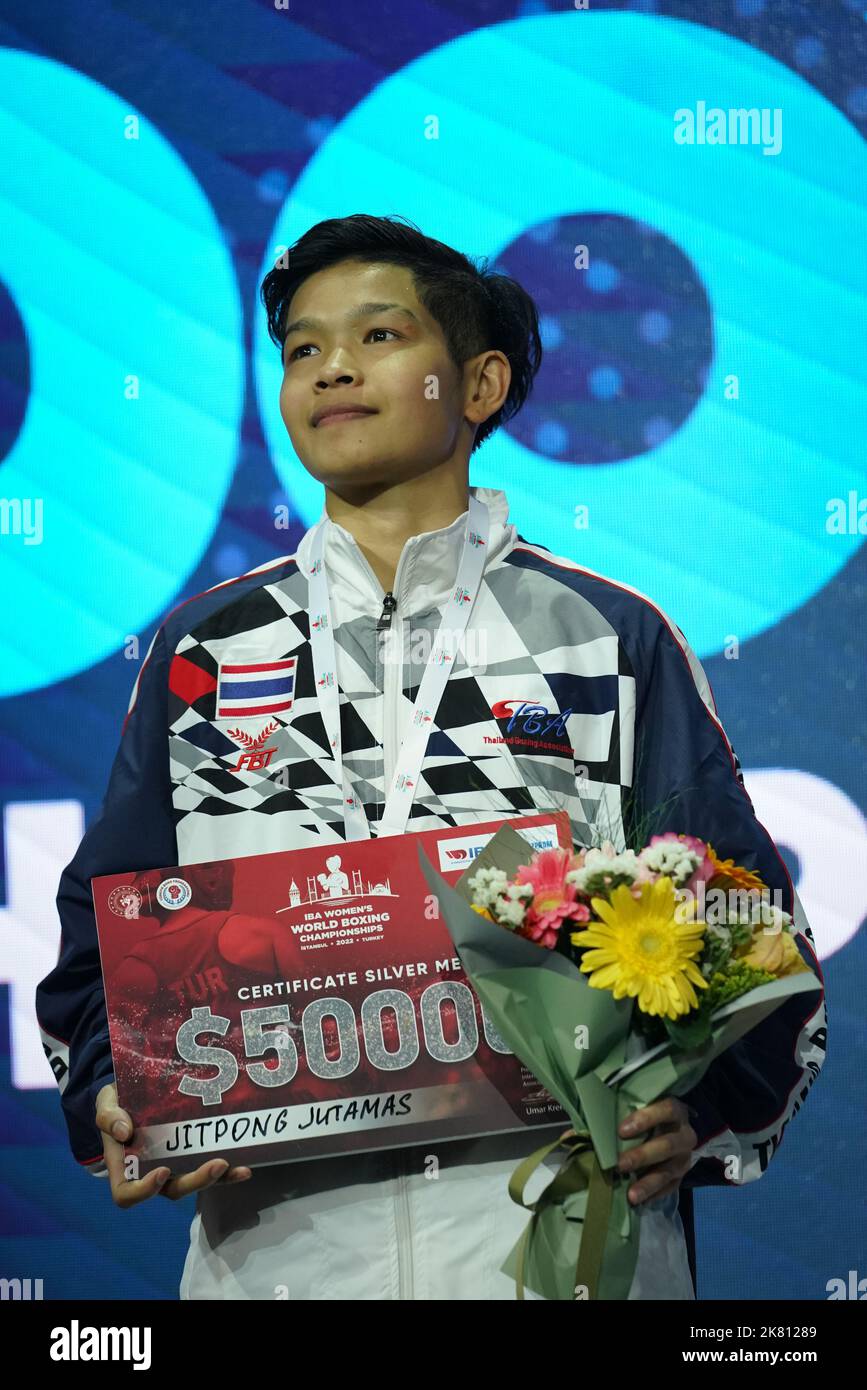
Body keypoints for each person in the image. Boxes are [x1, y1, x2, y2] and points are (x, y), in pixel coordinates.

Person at [36, 213, 826, 1300]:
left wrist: (702, 1114)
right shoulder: (204, 654)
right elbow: (104, 935)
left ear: (481, 385)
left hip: (559, 1262)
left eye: (379, 335)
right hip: (277, 1270)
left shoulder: (603, 635)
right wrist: (121, 1101)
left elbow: (751, 934)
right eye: (303, 349)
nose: (333, 369)